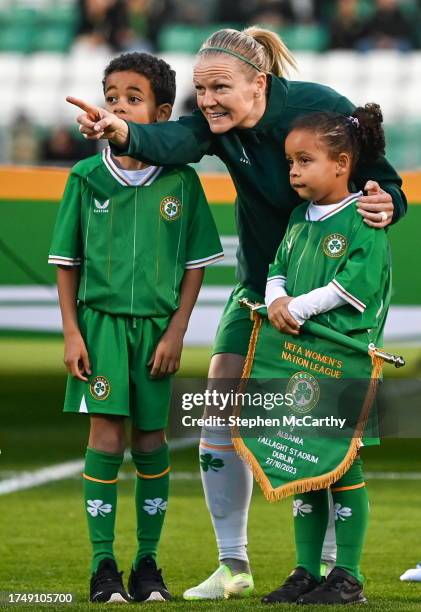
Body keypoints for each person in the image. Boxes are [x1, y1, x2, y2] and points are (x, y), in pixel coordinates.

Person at [68, 26, 406, 600]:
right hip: (259, 282)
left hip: (329, 289)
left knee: (318, 420)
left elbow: (386, 183)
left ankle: (331, 572)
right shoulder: (213, 123)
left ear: (260, 83)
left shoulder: (323, 110)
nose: (208, 101)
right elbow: (170, 140)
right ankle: (234, 564)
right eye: (201, 89)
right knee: (220, 398)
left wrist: (386, 203)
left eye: (220, 87)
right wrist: (123, 130)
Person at [49, 52, 223, 604]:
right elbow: (66, 264)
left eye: (133, 98)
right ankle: (103, 567)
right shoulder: (83, 177)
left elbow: (195, 267)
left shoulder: (182, 181)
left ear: (162, 112)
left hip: (155, 332)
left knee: (151, 442)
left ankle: (148, 564)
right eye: (112, 96)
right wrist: (72, 334)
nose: (119, 106)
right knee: (104, 438)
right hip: (98, 328)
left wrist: (176, 334)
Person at [264, 103, 390, 605]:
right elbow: (276, 265)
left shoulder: (364, 217)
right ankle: (304, 571)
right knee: (304, 466)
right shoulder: (297, 217)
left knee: (345, 467)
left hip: (346, 359)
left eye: (305, 160)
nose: (294, 171)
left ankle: (349, 576)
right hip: (297, 360)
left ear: (341, 164)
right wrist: (275, 297)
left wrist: (296, 306)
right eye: (290, 162)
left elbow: (351, 289)